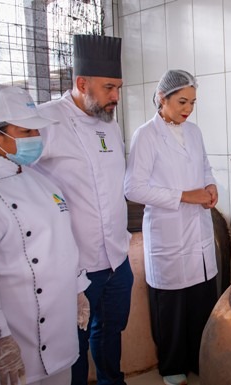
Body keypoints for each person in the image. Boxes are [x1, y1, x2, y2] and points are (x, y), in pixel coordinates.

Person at [0, 85, 90, 385]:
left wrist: (78, 289)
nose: (36, 140)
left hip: (58, 330)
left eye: (36, 132)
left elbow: (63, 242)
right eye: (26, 132)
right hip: (11, 336)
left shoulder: (42, 182)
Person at [31, 34, 133, 385]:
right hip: (74, 266)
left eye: (118, 88)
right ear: (81, 83)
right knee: (71, 347)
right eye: (109, 88)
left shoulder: (109, 122)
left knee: (110, 335)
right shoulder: (45, 120)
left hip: (117, 260)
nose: (115, 97)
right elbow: (21, 182)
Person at [124, 69, 219, 385]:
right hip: (169, 232)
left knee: (201, 301)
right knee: (172, 308)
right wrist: (184, 196)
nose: (188, 109)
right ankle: (172, 365)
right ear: (161, 98)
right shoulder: (146, 135)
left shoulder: (193, 132)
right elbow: (133, 188)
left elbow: (204, 166)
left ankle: (198, 358)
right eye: (181, 101)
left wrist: (210, 185)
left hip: (198, 231)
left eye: (192, 102)